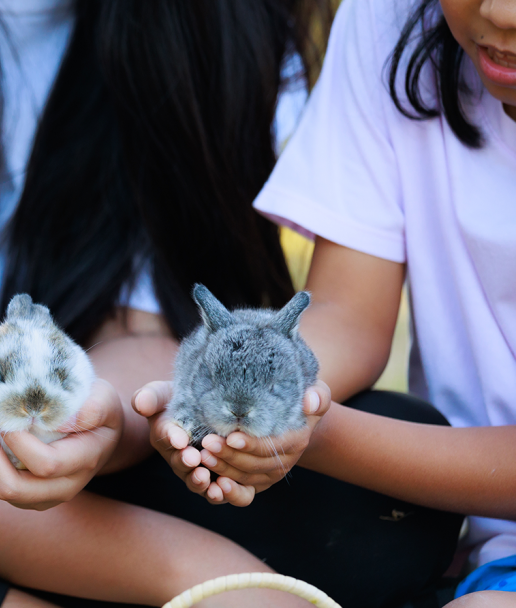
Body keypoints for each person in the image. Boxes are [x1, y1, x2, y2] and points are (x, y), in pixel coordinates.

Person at [0, 1, 460, 605]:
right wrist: (208, 574)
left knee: (385, 508)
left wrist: (99, 416)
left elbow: (148, 328)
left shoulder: (217, 27)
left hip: (87, 483)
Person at [141, 0, 516, 605]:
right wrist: (251, 401)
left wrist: (311, 434)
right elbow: (346, 313)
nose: (501, 12)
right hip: (488, 544)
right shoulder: (387, 20)